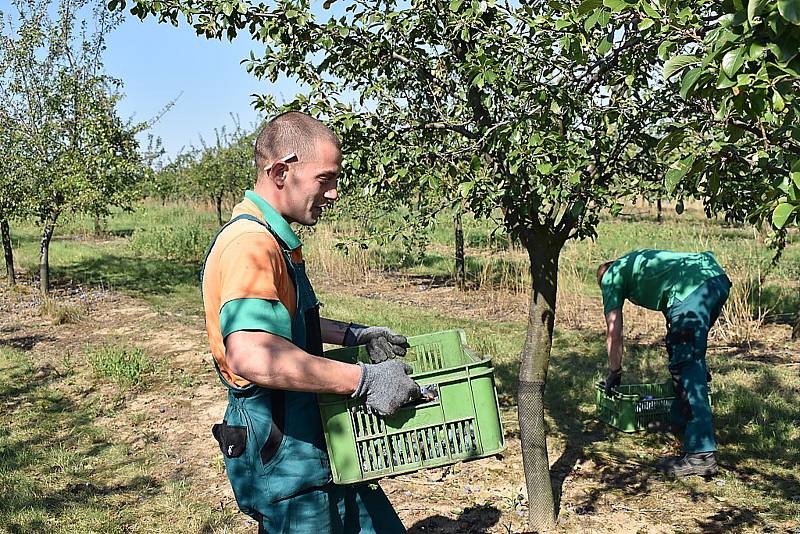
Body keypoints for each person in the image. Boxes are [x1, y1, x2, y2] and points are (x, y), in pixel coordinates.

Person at [201, 111, 419, 533]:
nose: (334, 193)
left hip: (312, 435)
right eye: (325, 179)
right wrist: (364, 380)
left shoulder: (275, 239)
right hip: (283, 447)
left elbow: (285, 322)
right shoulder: (251, 245)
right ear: (281, 171)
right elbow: (252, 353)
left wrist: (355, 334)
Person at [597, 249, 731, 477]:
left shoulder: (611, 275)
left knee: (686, 368)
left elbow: (614, 332)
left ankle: (701, 455)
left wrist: (615, 370)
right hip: (715, 279)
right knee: (683, 354)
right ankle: (679, 423)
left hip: (692, 288)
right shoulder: (639, 266)